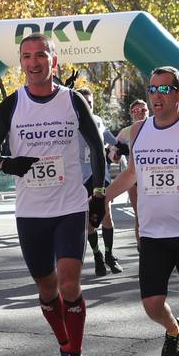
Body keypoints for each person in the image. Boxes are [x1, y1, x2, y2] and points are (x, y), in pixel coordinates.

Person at [0, 33, 109, 356]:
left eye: (41, 56)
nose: (34, 63)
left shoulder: (73, 101)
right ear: (21, 63)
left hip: (69, 205)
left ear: (54, 61)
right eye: (26, 56)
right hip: (31, 211)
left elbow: (96, 148)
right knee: (47, 290)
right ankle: (66, 349)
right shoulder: (12, 104)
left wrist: (98, 193)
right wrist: (6, 162)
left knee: (69, 284)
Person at [101, 67, 179, 356]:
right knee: (152, 305)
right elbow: (132, 173)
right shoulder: (138, 130)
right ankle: (171, 328)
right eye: (152, 89)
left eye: (165, 89)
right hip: (153, 233)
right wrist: (101, 196)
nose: (157, 95)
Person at [76, 87, 121, 276]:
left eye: (90, 101)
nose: (88, 104)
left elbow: (112, 140)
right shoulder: (70, 123)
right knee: (90, 220)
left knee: (107, 213)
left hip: (100, 174)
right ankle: (97, 256)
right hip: (81, 177)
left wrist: (121, 148)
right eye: (84, 101)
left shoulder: (98, 121)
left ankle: (110, 255)